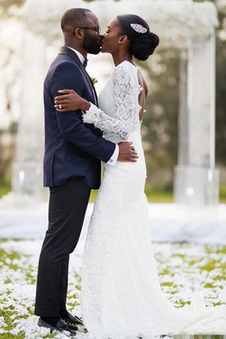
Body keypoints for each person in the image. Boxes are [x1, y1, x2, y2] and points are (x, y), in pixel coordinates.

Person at [54, 14, 226, 338]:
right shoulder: (128, 72)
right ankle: (120, 304)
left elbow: (125, 127)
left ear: (123, 40)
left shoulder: (125, 73)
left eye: (110, 30)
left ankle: (118, 310)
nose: (103, 33)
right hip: (127, 162)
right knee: (118, 237)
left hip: (126, 164)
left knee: (107, 236)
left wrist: (83, 106)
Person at [34, 8, 138, 336]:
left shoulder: (73, 66)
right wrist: (112, 151)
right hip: (69, 169)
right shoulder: (66, 69)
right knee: (59, 243)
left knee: (63, 243)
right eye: (95, 29)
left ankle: (56, 308)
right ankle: (48, 316)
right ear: (79, 33)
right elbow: (71, 130)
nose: (100, 34)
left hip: (74, 169)